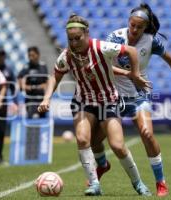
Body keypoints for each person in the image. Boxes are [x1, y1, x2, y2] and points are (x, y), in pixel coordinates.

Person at [90, 3, 171, 197]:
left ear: (145, 27)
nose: (134, 30)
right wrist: (130, 73)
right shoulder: (115, 37)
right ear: (128, 22)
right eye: (132, 25)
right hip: (112, 96)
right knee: (95, 141)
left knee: (147, 133)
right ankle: (103, 165)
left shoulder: (151, 41)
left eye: (139, 27)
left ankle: (160, 181)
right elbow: (102, 65)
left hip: (138, 96)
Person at [38, 14, 152, 196]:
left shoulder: (101, 47)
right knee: (83, 140)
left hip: (108, 101)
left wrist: (135, 74)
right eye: (70, 39)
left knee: (117, 146)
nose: (74, 43)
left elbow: (131, 51)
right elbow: (55, 76)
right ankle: (94, 184)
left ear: (87, 33)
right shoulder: (67, 55)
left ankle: (138, 183)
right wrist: (46, 98)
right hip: (84, 102)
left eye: (78, 38)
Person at [0, 48, 17, 164]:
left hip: (3, 103)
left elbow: (13, 87)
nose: (1, 58)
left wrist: (15, 102)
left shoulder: (8, 70)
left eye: (3, 55)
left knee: (1, 130)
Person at [18, 46, 48, 119]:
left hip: (42, 99)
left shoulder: (43, 66)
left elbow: (47, 82)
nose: (31, 58)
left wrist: (45, 92)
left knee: (42, 120)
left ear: (38, 55)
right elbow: (20, 78)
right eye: (29, 56)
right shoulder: (26, 67)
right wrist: (23, 86)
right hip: (30, 99)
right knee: (32, 120)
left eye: (33, 55)